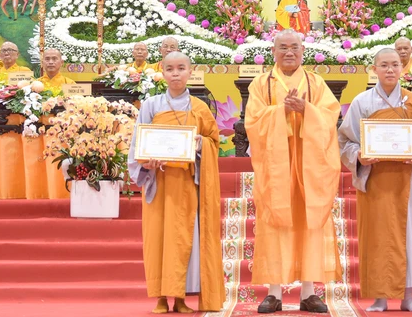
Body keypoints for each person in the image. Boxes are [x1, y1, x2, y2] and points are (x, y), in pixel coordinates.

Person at [338, 48, 412, 312]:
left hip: (408, 181)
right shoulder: (362, 102)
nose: (390, 69)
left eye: (394, 65)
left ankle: (408, 297)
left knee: (411, 237)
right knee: (378, 239)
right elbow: (345, 140)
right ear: (374, 69)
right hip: (375, 181)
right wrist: (360, 156)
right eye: (384, 65)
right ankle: (379, 298)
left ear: (402, 68)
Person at [245, 29, 342, 313]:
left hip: (309, 164)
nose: (289, 52)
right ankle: (274, 292)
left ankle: (308, 292)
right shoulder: (261, 84)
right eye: (283, 47)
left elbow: (330, 116)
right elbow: (253, 121)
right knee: (275, 222)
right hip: (276, 165)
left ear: (303, 51)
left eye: (294, 47)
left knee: (309, 222)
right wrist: (282, 112)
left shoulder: (315, 82)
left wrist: (306, 110)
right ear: (273, 51)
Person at [127, 52, 225, 314]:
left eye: (181, 68)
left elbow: (213, 142)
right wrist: (146, 163)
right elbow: (138, 142)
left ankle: (180, 297)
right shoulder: (151, 104)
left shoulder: (200, 107)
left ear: (190, 71)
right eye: (170, 69)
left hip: (186, 184)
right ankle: (160, 297)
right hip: (158, 182)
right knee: (158, 240)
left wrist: (200, 144)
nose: (175, 73)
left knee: (184, 239)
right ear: (162, 72)